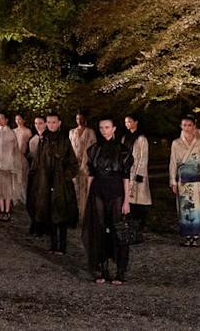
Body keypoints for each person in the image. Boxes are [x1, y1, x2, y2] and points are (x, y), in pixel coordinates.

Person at [82, 116, 133, 285]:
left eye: (107, 127)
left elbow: (126, 177)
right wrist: (88, 196)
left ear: (114, 128)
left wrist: (127, 200)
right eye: (101, 127)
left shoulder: (123, 150)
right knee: (99, 229)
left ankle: (120, 270)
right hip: (98, 190)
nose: (104, 130)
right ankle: (101, 269)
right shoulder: (94, 149)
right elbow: (91, 175)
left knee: (118, 229)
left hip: (116, 190)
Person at [30, 112, 79, 255]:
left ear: (59, 123)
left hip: (61, 183)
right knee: (49, 212)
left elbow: (73, 163)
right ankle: (53, 243)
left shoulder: (64, 140)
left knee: (61, 213)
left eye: (54, 122)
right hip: (45, 181)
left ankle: (62, 246)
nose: (51, 125)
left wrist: (65, 176)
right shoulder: (43, 139)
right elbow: (37, 161)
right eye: (49, 122)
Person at [169, 115, 200, 246]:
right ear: (181, 126)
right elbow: (173, 162)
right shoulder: (176, 143)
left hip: (197, 179)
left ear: (194, 126)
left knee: (197, 208)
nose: (187, 128)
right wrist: (173, 180)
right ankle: (187, 235)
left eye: (189, 125)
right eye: (184, 125)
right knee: (184, 208)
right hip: (182, 180)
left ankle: (196, 235)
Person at [121, 114, 151, 229]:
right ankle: (129, 221)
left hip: (137, 171)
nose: (127, 124)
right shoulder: (125, 137)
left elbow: (144, 157)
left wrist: (140, 174)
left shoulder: (141, 138)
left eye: (129, 121)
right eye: (126, 122)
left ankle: (140, 223)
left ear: (136, 122)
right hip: (127, 169)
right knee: (128, 197)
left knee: (139, 198)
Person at [69, 112, 97, 220]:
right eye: (77, 118)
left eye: (81, 118)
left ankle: (85, 214)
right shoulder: (72, 132)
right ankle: (74, 214)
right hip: (74, 164)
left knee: (85, 188)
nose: (79, 120)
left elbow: (93, 148)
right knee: (75, 188)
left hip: (86, 164)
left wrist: (86, 161)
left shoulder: (90, 132)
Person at [25, 115, 47, 235]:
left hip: (45, 174)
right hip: (34, 173)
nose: (38, 125)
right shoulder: (33, 139)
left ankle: (42, 226)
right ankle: (34, 222)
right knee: (33, 200)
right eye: (36, 123)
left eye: (40, 123)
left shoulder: (48, 139)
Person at [12, 113, 32, 203]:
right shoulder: (13, 131)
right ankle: (15, 195)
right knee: (15, 176)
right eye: (16, 119)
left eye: (19, 119)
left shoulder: (27, 131)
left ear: (23, 120)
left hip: (23, 156)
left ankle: (23, 195)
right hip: (14, 156)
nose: (18, 121)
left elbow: (29, 145)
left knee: (23, 176)